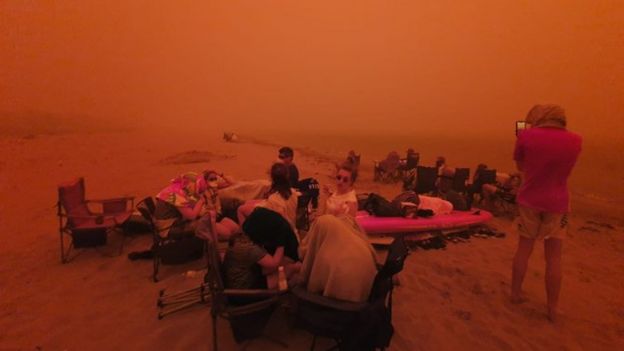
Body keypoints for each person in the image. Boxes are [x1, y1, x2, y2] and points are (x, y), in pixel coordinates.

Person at [510, 104, 582, 322]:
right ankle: (552, 308)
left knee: (524, 249)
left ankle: (515, 293)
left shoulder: (526, 135)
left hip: (529, 200)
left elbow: (521, 167)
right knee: (554, 258)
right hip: (558, 203)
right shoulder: (576, 140)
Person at [299, 214, 378, 303]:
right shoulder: (358, 243)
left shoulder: (328, 257)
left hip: (340, 308)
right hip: (367, 300)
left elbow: (314, 284)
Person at [237, 163, 300, 231]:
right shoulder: (293, 193)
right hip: (291, 228)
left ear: (272, 178)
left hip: (280, 234)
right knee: (248, 202)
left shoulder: (274, 199)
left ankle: (247, 233)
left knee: (241, 209)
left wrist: (259, 205)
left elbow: (272, 211)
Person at [197, 170, 241, 241]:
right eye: (211, 179)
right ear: (205, 181)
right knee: (227, 234)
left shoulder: (215, 188)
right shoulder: (201, 192)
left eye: (215, 178)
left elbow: (231, 183)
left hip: (219, 215)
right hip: (210, 219)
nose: (214, 181)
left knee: (237, 230)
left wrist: (220, 174)